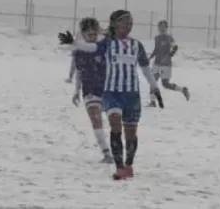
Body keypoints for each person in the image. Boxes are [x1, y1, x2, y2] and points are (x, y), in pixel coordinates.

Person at [59, 10, 163, 180]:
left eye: (130, 22)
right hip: (112, 92)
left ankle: (128, 165)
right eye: (124, 22)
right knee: (115, 123)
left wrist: (154, 87)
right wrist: (74, 43)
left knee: (130, 134)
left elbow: (145, 69)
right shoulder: (107, 43)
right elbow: (91, 47)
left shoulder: (137, 45)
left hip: (132, 95)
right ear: (114, 24)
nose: (128, 25)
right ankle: (119, 166)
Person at [65, 18, 113, 163]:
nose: (92, 36)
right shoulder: (80, 52)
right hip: (89, 89)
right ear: (83, 34)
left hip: (106, 88)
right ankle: (106, 153)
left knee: (115, 120)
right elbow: (79, 72)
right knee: (95, 119)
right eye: (89, 34)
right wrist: (76, 90)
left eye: (94, 34)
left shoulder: (104, 46)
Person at [147, 20, 190, 107]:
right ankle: (152, 102)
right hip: (156, 63)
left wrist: (170, 54)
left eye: (163, 26)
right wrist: (149, 58)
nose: (162, 28)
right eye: (160, 26)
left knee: (165, 84)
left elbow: (175, 47)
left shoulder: (169, 38)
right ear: (158, 28)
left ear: (166, 28)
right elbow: (156, 50)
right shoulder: (157, 38)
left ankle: (182, 90)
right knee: (153, 81)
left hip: (166, 65)